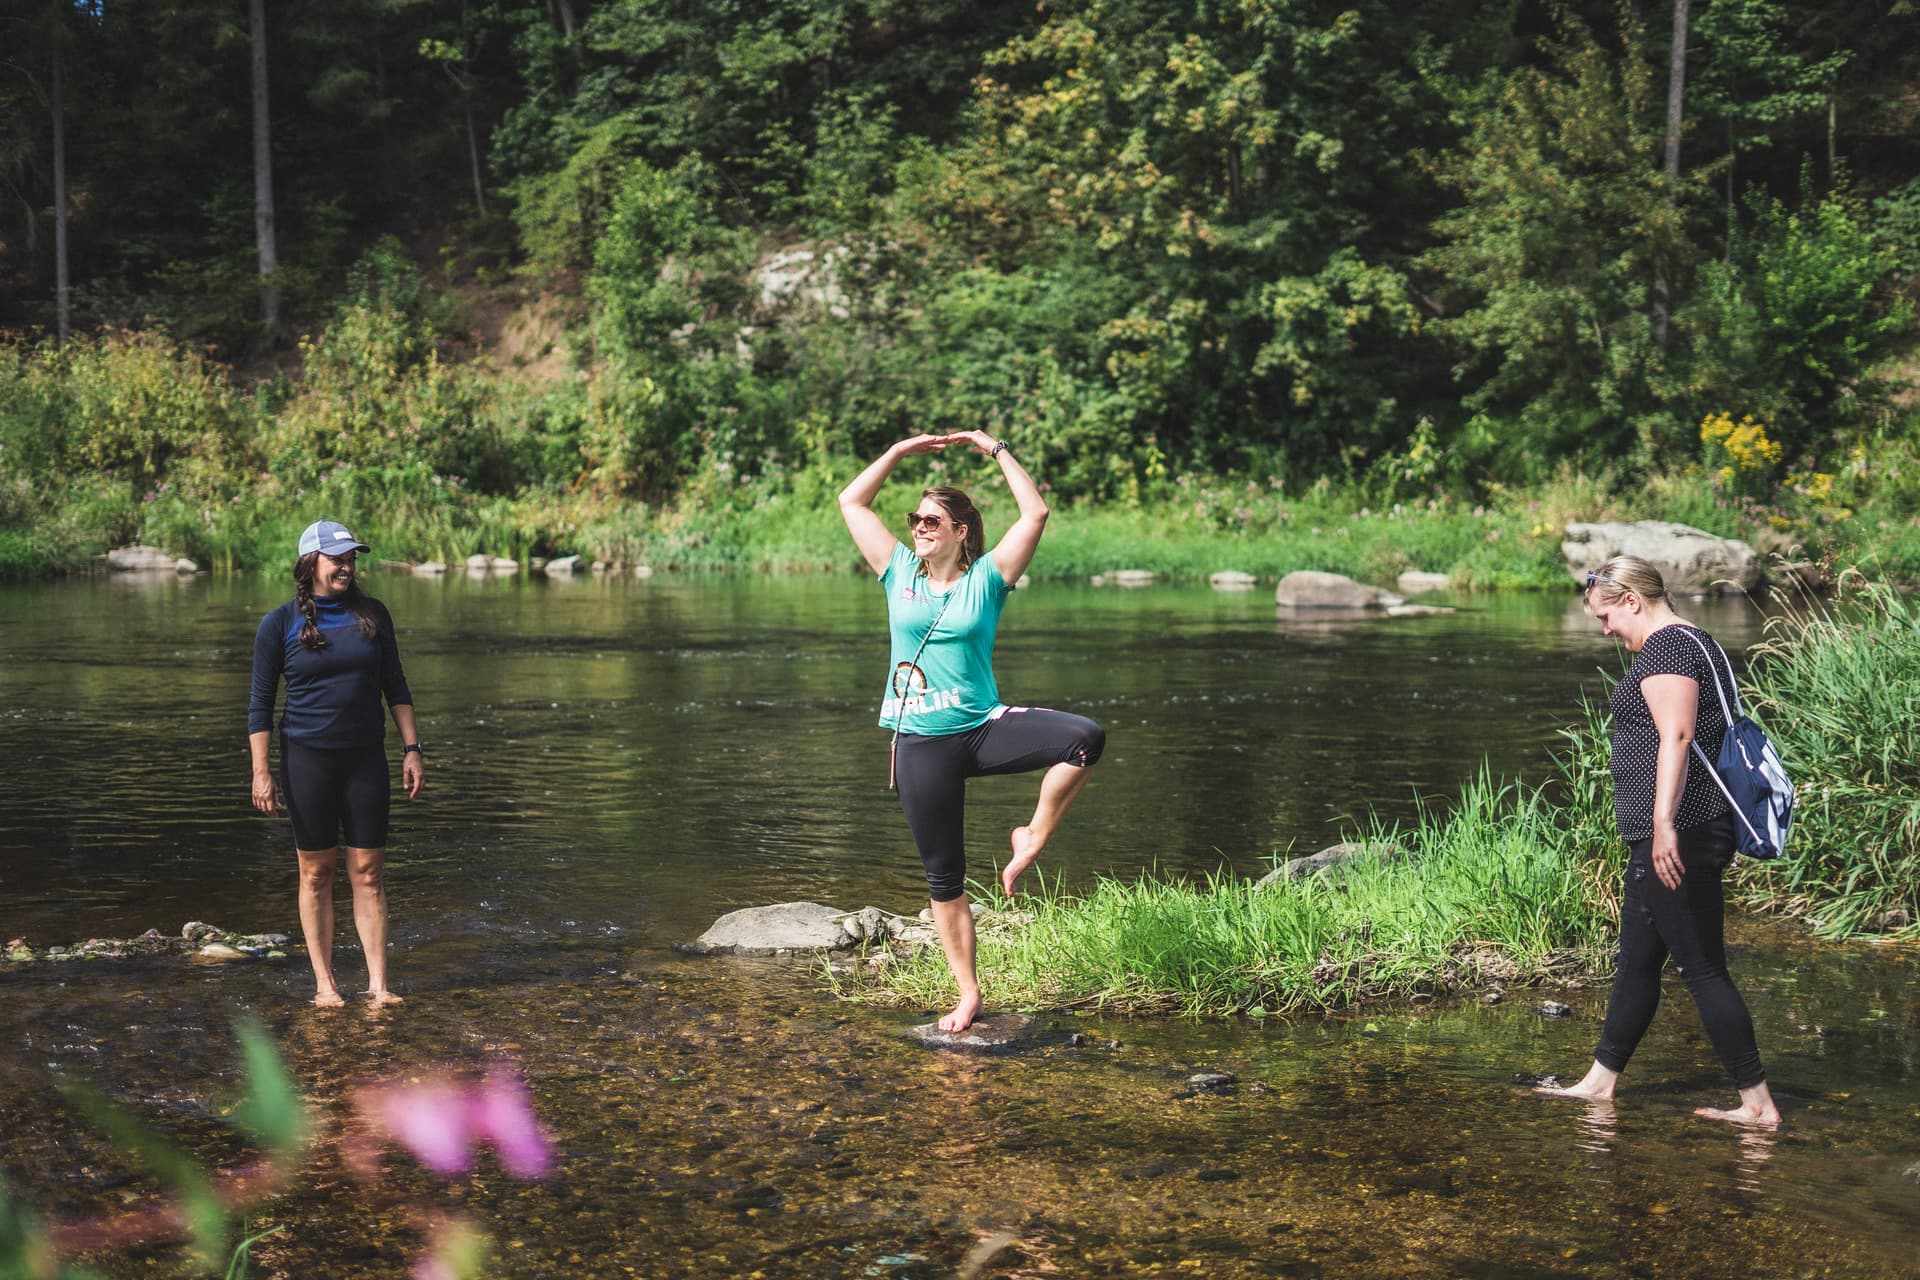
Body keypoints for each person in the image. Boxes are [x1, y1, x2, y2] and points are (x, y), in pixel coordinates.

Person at [839, 432, 1105, 1032]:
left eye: (933, 519)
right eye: (915, 518)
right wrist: (900, 453)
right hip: (920, 744)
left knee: (1084, 737)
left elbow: (1035, 512)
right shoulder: (897, 572)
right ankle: (968, 994)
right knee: (944, 876)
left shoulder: (988, 578)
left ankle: (1030, 838)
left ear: (962, 530)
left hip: (982, 728)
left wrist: (996, 448)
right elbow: (852, 503)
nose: (919, 526)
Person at [1536, 555, 1780, 1127]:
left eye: (1605, 616)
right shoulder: (1698, 642)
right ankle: (1600, 1081)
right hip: (1668, 834)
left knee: (1702, 968)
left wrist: (1664, 824)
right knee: (1638, 964)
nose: (1604, 629)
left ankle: (1759, 1105)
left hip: (1680, 833)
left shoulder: (1669, 648)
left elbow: (1677, 734)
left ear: (1631, 601)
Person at [248, 520, 423, 1008]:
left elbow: (396, 684)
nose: (347, 566)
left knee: (368, 870)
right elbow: (260, 704)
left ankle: (378, 985)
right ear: (311, 564)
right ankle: (325, 985)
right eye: (337, 558)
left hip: (366, 757)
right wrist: (261, 772)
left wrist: (413, 749)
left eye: (351, 558)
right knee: (316, 872)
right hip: (307, 760)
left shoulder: (373, 615)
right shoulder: (279, 623)